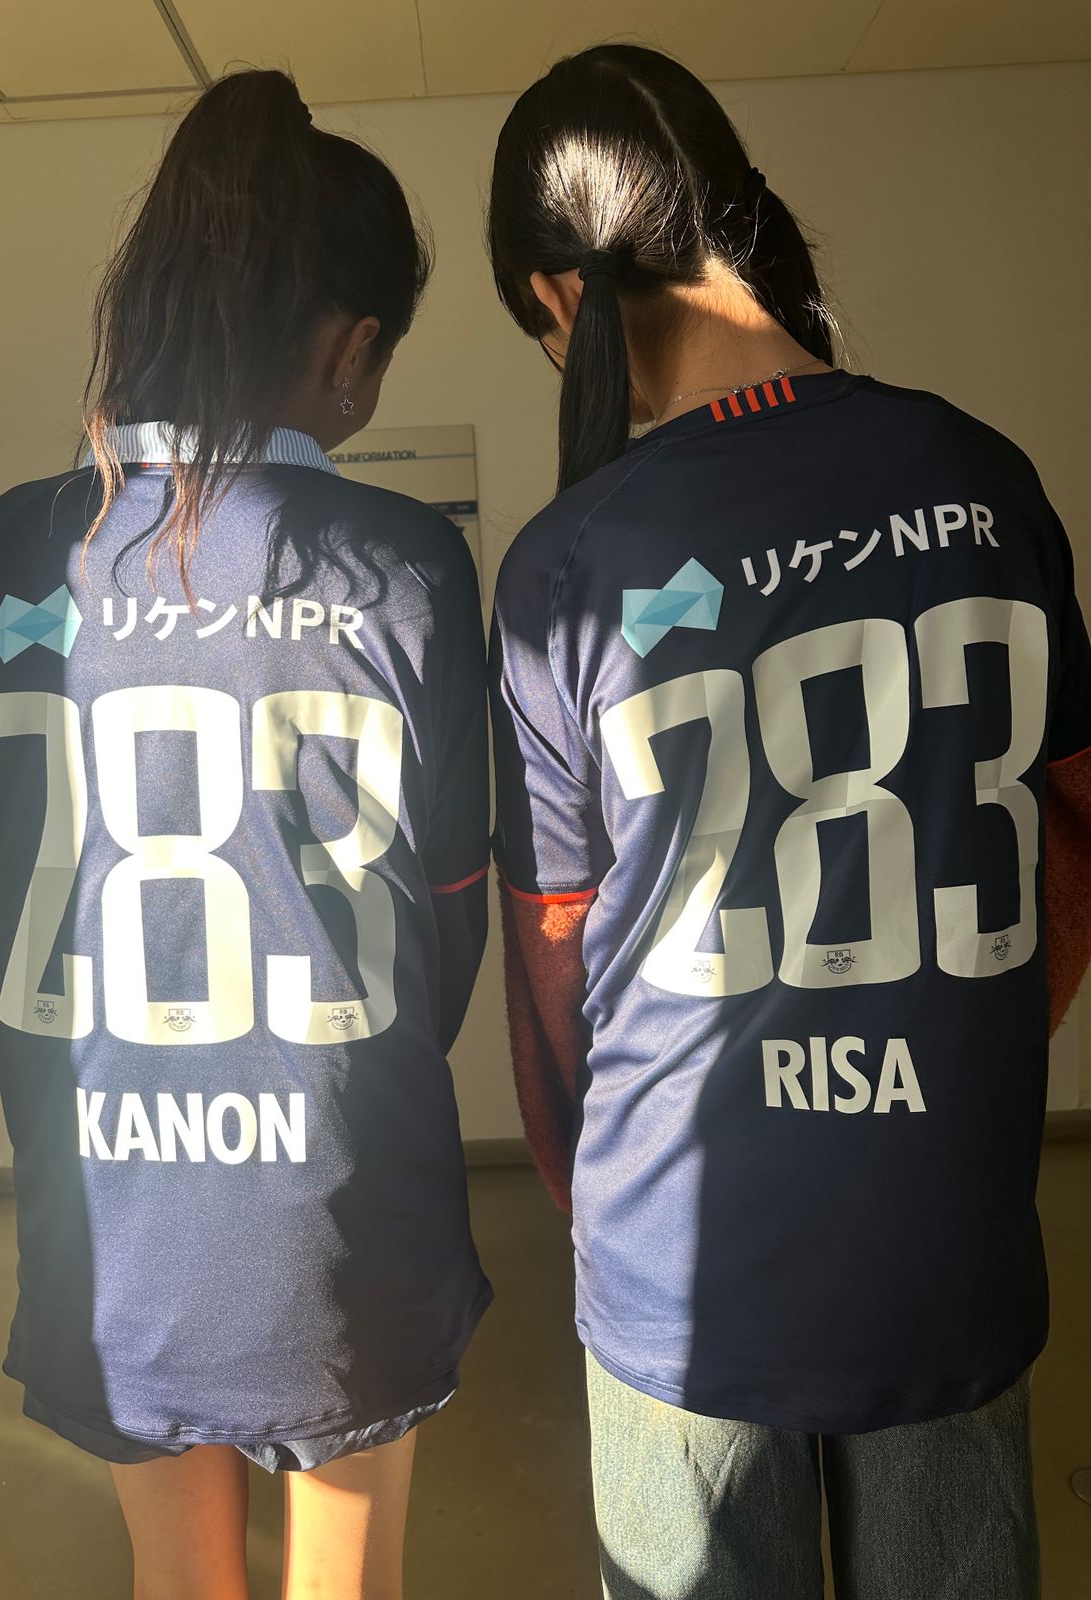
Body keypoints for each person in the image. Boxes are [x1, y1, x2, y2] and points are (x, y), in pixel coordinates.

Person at [487, 42, 1091, 1600]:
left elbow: (558, 962)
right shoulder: (983, 477)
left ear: (560, 294)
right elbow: (1074, 834)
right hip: (946, 1229)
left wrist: (595, 1191)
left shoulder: (565, 564)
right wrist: (957, 1059)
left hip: (682, 1264)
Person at [0, 69, 491, 1600]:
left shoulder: (12, 549)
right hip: (339, 1196)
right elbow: (444, 922)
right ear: (351, 348)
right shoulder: (404, 562)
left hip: (102, 1209)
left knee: (176, 1586)